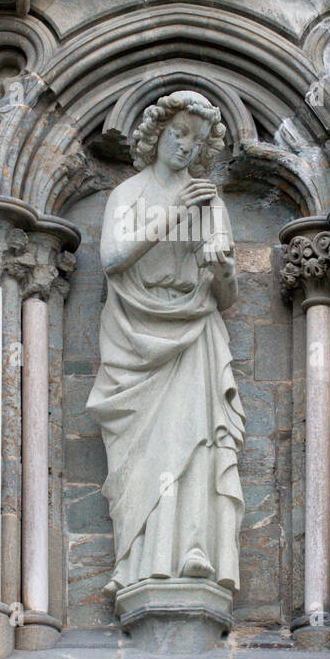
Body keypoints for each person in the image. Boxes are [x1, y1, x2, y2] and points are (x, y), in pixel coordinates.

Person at [86, 91, 246, 594]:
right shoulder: (129, 194)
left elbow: (227, 293)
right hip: (135, 334)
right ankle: (137, 563)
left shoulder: (209, 202)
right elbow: (112, 258)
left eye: (196, 140)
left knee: (196, 441)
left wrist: (222, 271)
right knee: (145, 454)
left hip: (194, 328)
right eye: (178, 133)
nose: (185, 146)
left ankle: (195, 547)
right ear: (156, 134)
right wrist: (173, 212)